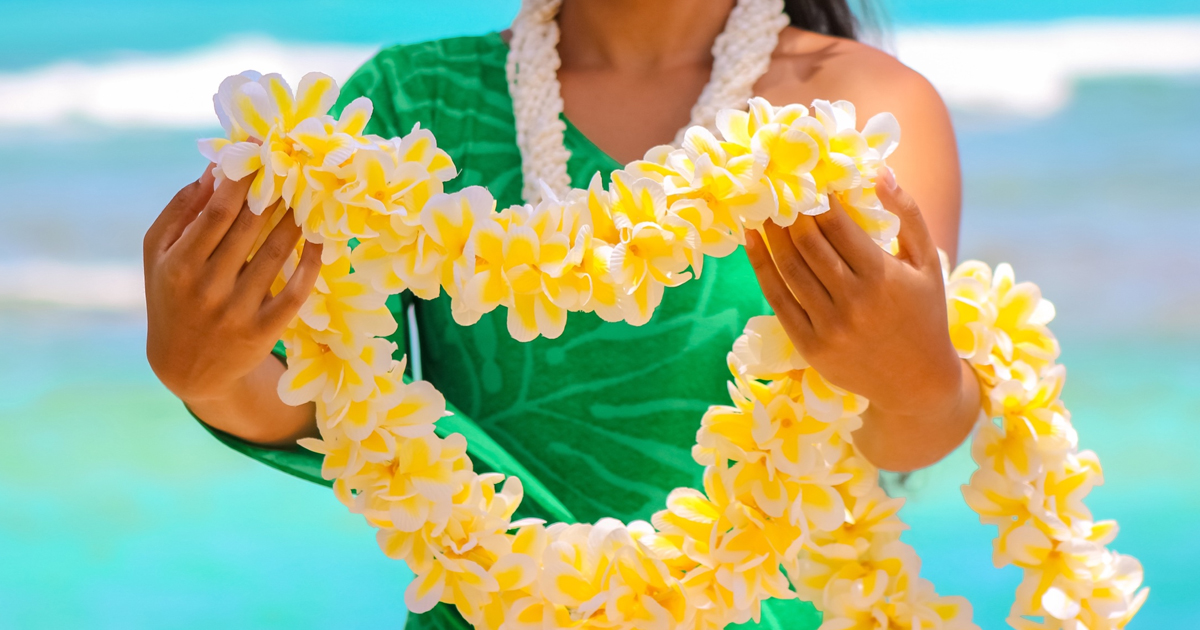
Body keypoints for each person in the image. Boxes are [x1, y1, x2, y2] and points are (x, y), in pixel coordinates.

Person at [141, 0, 979, 628]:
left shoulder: (860, 114)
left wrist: (911, 373)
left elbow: (900, 436)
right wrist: (209, 374)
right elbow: (325, 402)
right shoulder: (404, 104)